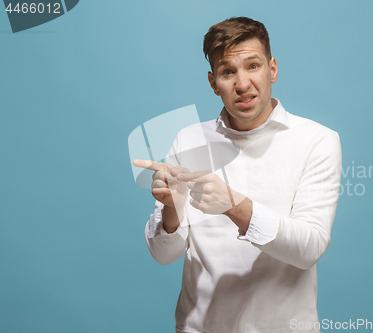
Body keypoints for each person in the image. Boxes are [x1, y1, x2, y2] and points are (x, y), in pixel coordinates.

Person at [134, 17, 342, 333]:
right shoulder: (189, 140)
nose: (242, 84)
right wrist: (171, 211)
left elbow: (309, 248)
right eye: (228, 71)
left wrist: (233, 204)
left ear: (272, 69)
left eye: (253, 66)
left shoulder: (317, 140)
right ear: (213, 82)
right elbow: (165, 255)